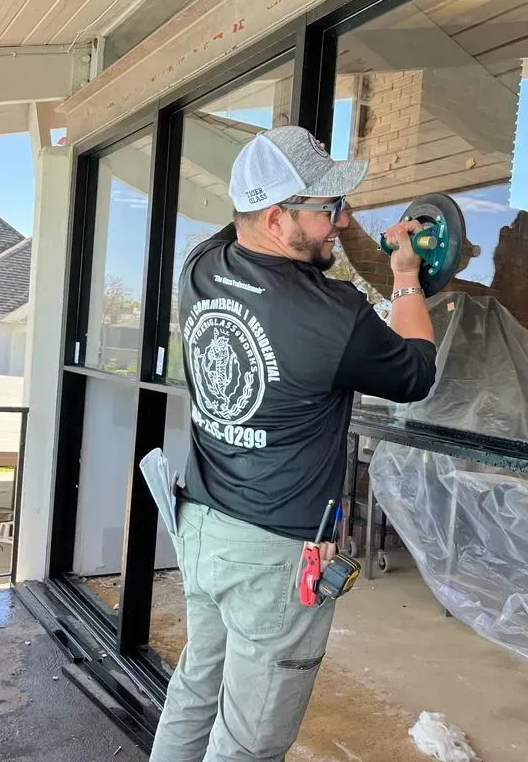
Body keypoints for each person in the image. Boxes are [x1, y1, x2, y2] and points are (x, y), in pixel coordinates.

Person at [149, 125, 437, 762]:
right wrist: (405, 272)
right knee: (249, 741)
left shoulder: (202, 265)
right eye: (328, 209)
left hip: (201, 525)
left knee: (198, 687)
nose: (341, 220)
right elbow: (417, 370)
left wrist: (338, 226)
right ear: (277, 218)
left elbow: (246, 228)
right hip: (273, 555)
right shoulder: (332, 316)